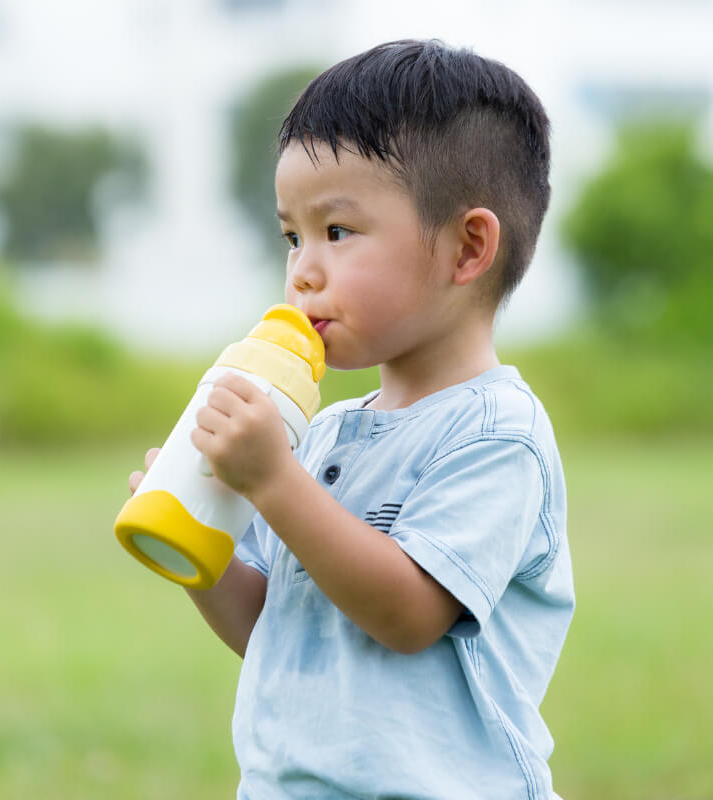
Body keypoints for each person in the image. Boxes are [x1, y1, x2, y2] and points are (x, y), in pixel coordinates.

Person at [129, 39, 574, 799]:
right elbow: (275, 626)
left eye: (336, 232)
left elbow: (405, 614)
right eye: (291, 236)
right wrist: (197, 550)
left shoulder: (497, 436)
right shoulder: (323, 434)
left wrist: (272, 480)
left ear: (468, 249)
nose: (303, 268)